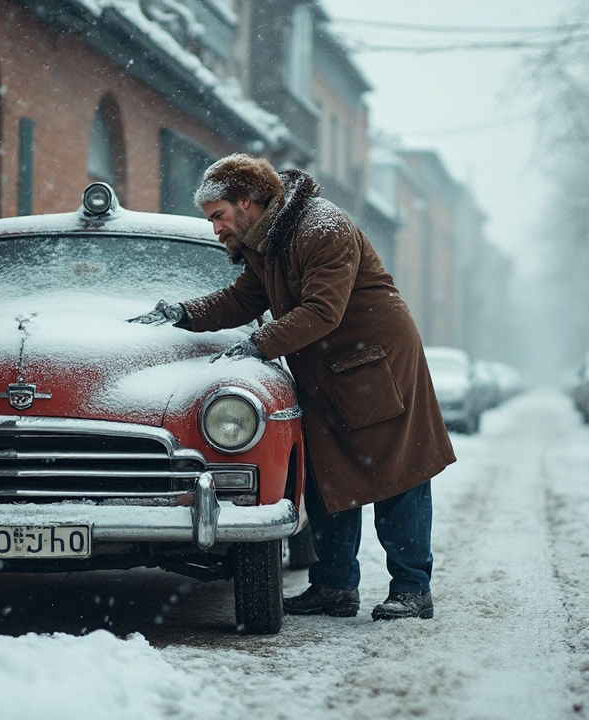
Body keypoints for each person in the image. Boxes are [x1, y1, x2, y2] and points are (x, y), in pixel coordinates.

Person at [130, 154, 455, 620]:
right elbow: (244, 298)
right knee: (327, 479)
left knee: (395, 475)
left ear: (246, 201)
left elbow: (324, 310)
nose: (215, 228)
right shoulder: (269, 241)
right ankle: (335, 587)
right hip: (324, 368)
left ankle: (411, 589)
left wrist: (257, 345)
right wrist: (184, 313)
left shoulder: (322, 228)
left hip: (375, 362)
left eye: (218, 216)